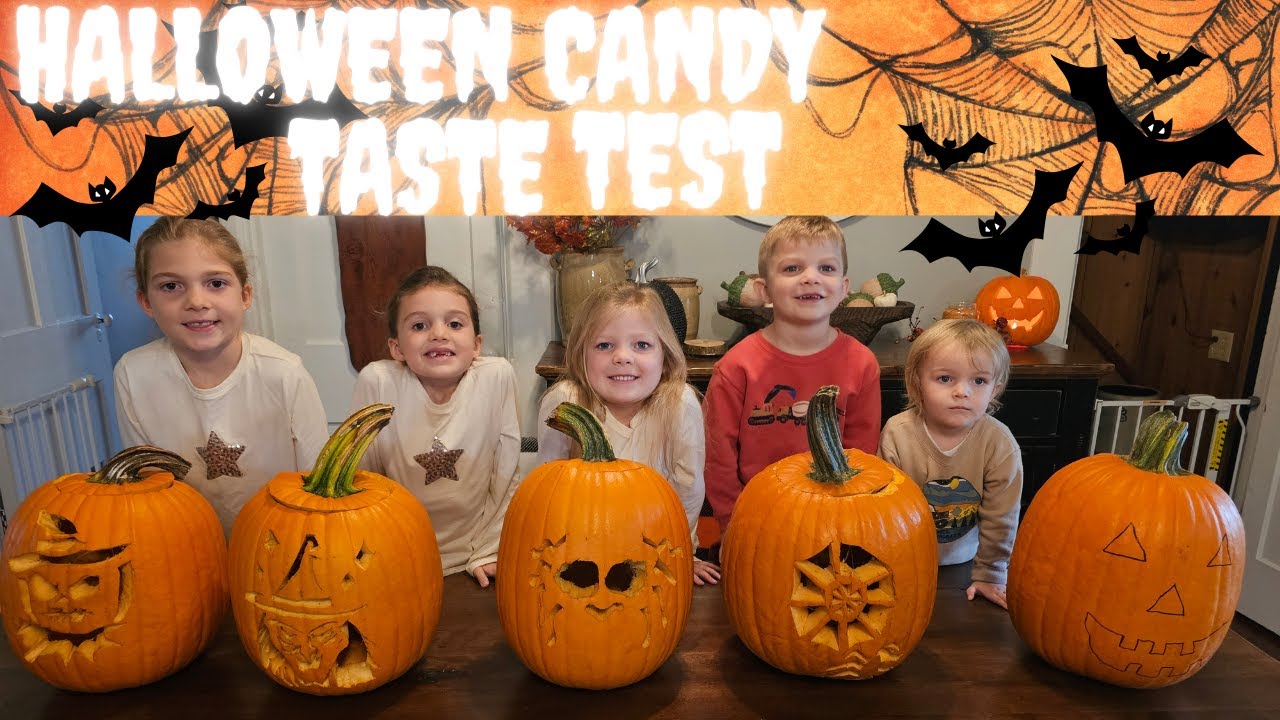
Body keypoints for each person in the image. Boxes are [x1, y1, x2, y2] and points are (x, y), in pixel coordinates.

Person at [113, 217, 329, 533]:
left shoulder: (285, 374)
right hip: (183, 544)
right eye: (171, 286)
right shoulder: (132, 375)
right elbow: (148, 489)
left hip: (281, 542)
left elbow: (321, 490)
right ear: (146, 301)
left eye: (216, 283)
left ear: (244, 295)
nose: (197, 302)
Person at [704, 216, 881, 531]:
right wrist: (733, 522)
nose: (810, 278)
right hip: (756, 518)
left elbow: (861, 457)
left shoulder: (862, 364)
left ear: (844, 288)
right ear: (765, 290)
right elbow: (717, 456)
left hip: (832, 517)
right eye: (792, 268)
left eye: (826, 268)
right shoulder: (736, 366)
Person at [537, 282, 721, 585]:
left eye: (642, 345)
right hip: (580, 553)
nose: (622, 357)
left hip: (656, 550)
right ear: (581, 353)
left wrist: (681, 552)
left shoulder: (680, 404)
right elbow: (546, 490)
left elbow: (687, 492)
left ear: (665, 356)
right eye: (604, 345)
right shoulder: (564, 401)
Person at [351, 266, 520, 587]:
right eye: (419, 325)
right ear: (397, 348)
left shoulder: (496, 378)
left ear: (477, 344)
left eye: (455, 324)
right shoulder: (377, 381)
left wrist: (491, 548)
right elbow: (362, 477)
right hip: (395, 553)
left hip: (478, 554)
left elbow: (506, 474)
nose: (439, 334)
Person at [878, 318, 1022, 609]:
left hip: (968, 562)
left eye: (978, 381)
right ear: (917, 382)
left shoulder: (1000, 442)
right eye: (945, 379)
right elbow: (884, 512)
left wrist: (991, 573)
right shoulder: (896, 433)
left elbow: (1001, 517)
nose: (962, 391)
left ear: (995, 389)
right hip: (905, 560)